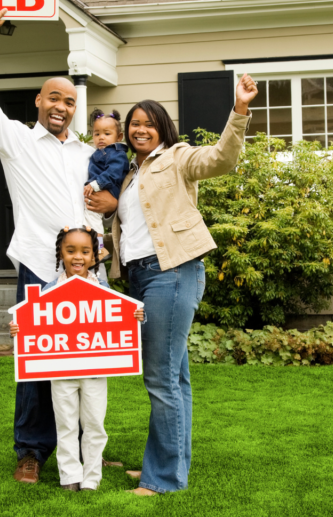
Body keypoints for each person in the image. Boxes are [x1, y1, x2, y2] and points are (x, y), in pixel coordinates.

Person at [0, 10, 119, 485]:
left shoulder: (90, 153)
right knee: (37, 363)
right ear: (38, 101)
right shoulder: (15, 141)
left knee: (91, 364)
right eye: (54, 97)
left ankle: (88, 450)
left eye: (69, 101)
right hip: (38, 266)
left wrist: (104, 241)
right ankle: (31, 449)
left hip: (90, 271)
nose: (61, 107)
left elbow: (99, 207)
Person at [108, 75, 259, 496]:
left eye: (148, 123)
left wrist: (240, 110)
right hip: (140, 276)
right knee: (174, 377)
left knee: (160, 378)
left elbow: (220, 159)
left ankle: (164, 477)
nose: (139, 129)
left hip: (172, 270)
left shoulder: (177, 157)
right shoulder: (128, 174)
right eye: (133, 123)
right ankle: (167, 462)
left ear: (163, 128)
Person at [8, 226, 144, 491]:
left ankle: (91, 478)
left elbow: (121, 319)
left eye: (85, 251)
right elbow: (32, 323)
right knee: (66, 425)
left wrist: (136, 317)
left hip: (95, 373)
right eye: (70, 251)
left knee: (94, 425)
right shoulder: (48, 291)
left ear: (94, 257)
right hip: (61, 374)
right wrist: (18, 329)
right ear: (61, 254)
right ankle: (69, 476)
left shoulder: (103, 290)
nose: (77, 257)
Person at [82, 109, 130, 262]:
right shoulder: (100, 152)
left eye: (107, 134)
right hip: (102, 187)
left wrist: (96, 184)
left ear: (119, 136)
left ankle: (99, 248)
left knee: (92, 218)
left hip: (109, 188)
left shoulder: (116, 153)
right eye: (97, 134)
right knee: (90, 219)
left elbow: (114, 173)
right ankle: (97, 247)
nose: (101, 137)